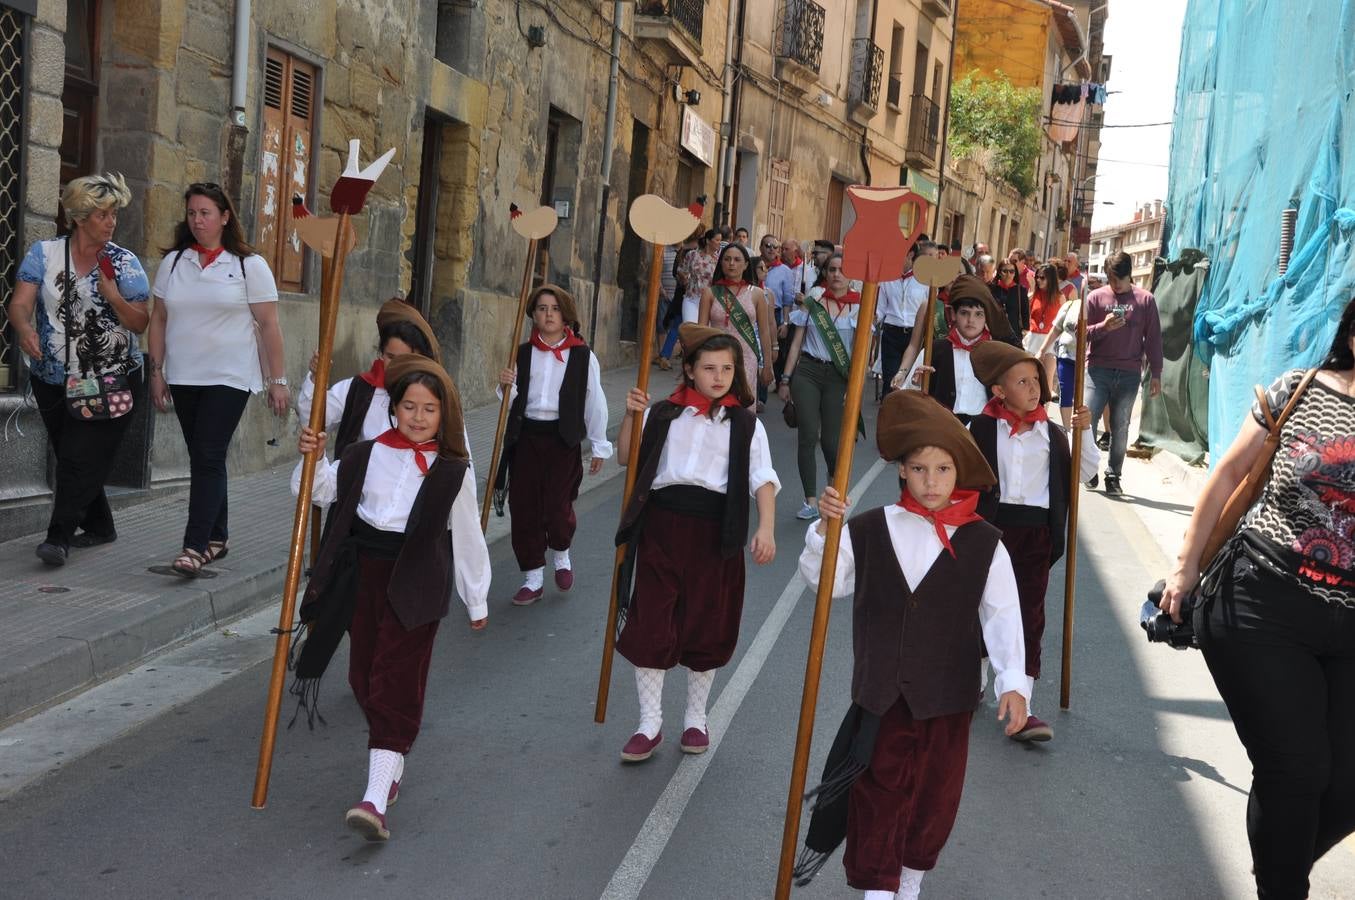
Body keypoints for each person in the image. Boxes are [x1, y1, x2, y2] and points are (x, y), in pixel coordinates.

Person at [795, 389, 1029, 900]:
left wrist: (1013, 682)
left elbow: (1003, 614)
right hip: (881, 700)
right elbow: (824, 581)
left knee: (932, 803)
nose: (931, 481)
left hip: (948, 704)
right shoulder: (868, 529)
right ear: (902, 470)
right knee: (877, 799)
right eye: (920, 469)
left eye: (943, 470)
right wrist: (825, 532)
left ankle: (910, 884)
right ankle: (878, 891)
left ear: (957, 473)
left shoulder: (985, 542)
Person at [1159, 297, 1355, 898]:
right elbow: (1226, 475)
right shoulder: (1299, 389)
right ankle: (1281, 882)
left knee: (1344, 785)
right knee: (1296, 769)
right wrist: (1186, 567)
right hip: (1264, 600)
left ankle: (1278, 855)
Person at [291, 355, 489, 842]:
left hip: (418, 579)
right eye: (409, 406)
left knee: (394, 679)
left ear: (444, 415)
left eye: (429, 409)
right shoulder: (365, 453)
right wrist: (313, 455)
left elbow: (468, 533)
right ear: (393, 408)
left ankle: (374, 799)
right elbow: (316, 491)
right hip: (364, 574)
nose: (418, 417)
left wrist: (476, 597)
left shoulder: (453, 470)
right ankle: (392, 758)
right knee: (362, 675)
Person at [613, 324, 779, 762]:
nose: (719, 376)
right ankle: (649, 723)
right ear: (689, 370)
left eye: (727, 368)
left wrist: (766, 527)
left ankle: (695, 717)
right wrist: (630, 415)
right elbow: (627, 458)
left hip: (715, 533)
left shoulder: (746, 424)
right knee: (652, 622)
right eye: (709, 368)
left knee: (707, 624)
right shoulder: (663, 414)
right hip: (661, 528)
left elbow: (762, 477)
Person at [8, 173, 150, 566]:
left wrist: (113, 296)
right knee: (71, 454)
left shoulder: (123, 263)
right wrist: (24, 328)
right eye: (103, 214)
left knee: (76, 458)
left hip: (111, 378)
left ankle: (57, 538)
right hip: (51, 377)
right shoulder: (44, 254)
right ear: (80, 217)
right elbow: (20, 303)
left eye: (114, 214)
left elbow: (140, 322)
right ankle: (100, 525)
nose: (111, 222)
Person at [146, 182, 286, 577]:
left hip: (230, 375)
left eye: (205, 213)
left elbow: (270, 325)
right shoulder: (174, 263)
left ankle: (193, 547)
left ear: (225, 217)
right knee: (204, 457)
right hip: (184, 374)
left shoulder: (248, 265)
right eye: (192, 213)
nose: (197, 220)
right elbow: (159, 319)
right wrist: (156, 373)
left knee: (207, 454)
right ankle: (218, 537)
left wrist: (278, 380)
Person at [968, 341, 1098, 744]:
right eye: (1021, 381)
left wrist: (1084, 431)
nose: (1032, 388)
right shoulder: (981, 428)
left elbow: (1086, 473)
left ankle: (1020, 706)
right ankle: (975, 677)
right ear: (999, 390)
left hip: (1036, 535)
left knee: (1028, 615)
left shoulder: (1053, 435)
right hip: (990, 529)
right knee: (980, 606)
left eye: (1035, 380)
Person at [497, 284, 611, 605]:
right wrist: (505, 386)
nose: (549, 314)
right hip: (526, 437)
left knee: (558, 507)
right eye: (542, 308)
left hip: (562, 439)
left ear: (566, 315)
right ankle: (533, 577)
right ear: (533, 314)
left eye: (555, 308)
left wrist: (600, 445)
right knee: (525, 508)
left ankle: (561, 553)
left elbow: (595, 401)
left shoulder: (583, 356)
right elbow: (510, 402)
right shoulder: (521, 353)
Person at [298, 298, 441, 457]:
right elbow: (312, 420)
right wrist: (316, 378)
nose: (397, 366)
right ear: (381, 353)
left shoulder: (436, 396)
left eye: (406, 359)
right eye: (391, 357)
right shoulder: (360, 388)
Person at [778, 253, 860, 521]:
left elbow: (862, 353)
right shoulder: (813, 303)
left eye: (842, 270)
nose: (836, 274)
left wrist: (855, 387)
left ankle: (833, 491)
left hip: (838, 376)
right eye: (831, 269)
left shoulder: (859, 306)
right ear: (825, 273)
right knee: (808, 434)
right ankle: (810, 500)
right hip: (808, 371)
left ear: (851, 275)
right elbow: (796, 343)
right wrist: (786, 378)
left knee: (831, 442)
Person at [1085, 250, 1163, 495]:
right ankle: (1089, 469)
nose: (1115, 284)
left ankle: (1113, 476)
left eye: (1119, 278)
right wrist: (1103, 327)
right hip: (1097, 370)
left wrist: (1156, 373)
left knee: (1120, 426)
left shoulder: (1145, 300)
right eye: (1110, 279)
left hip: (1129, 373)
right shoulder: (1095, 298)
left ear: (1129, 274)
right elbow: (1081, 334)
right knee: (1087, 421)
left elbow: (1153, 339)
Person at [895, 275, 1015, 423]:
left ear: (987, 317)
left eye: (978, 314)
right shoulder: (934, 350)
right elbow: (908, 395)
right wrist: (915, 383)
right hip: (941, 425)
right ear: (953, 314)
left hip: (981, 428)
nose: (971, 320)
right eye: (964, 313)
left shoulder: (996, 354)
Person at [699, 242, 776, 405]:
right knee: (717, 407)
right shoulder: (710, 293)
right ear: (721, 263)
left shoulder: (757, 294)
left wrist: (767, 365)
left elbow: (764, 332)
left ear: (746, 264)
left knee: (743, 408)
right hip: (716, 357)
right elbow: (701, 332)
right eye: (727, 259)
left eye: (737, 259)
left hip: (746, 358)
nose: (731, 264)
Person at [875, 240, 939, 396]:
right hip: (891, 334)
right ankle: (887, 407)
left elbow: (931, 308)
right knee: (890, 380)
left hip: (916, 334)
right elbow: (880, 310)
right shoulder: (887, 278)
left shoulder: (925, 278)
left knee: (911, 381)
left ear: (910, 255)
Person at [657, 227, 703, 369]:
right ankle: (671, 355)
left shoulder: (682, 251)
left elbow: (674, 271)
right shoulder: (695, 253)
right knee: (681, 326)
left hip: (681, 294)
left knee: (677, 325)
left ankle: (666, 354)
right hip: (689, 294)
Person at [1037, 293, 1081, 427]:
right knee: (1065, 392)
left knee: (1084, 395)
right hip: (1065, 357)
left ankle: (1083, 430)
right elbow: (1056, 329)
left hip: (1088, 361)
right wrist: (1042, 350)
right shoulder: (1070, 305)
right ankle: (1068, 431)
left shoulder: (1097, 306)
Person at [1026, 263, 1062, 392]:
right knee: (1030, 376)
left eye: (1042, 278)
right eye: (1037, 277)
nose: (1038, 280)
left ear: (1051, 279)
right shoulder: (1032, 296)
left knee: (1047, 378)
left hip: (1050, 339)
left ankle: (1045, 405)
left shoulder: (1060, 297)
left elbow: (1061, 323)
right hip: (1033, 338)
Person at [989, 259, 1029, 348]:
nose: (1008, 274)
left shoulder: (1020, 290)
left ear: (1015, 273)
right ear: (999, 272)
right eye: (1005, 271)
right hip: (995, 334)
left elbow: (1025, 312)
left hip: (1014, 334)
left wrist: (1025, 330)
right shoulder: (992, 289)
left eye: (1011, 271)